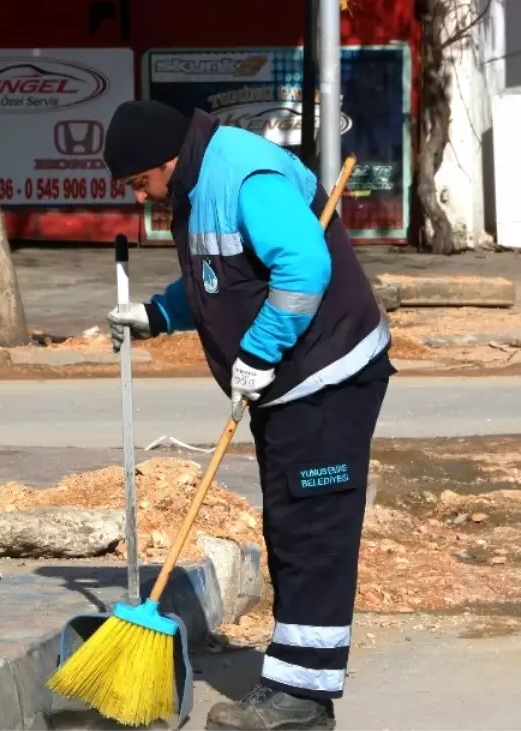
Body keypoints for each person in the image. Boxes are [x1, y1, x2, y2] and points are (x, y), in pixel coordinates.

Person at [103, 99, 394, 731]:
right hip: (289, 384)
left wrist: (260, 351)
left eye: (139, 183)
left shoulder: (243, 174)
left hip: (326, 372)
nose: (143, 198)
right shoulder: (197, 183)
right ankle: (297, 689)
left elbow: (303, 266)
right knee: (291, 530)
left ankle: (300, 697)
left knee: (314, 531)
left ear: (164, 159)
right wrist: (157, 315)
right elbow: (219, 277)